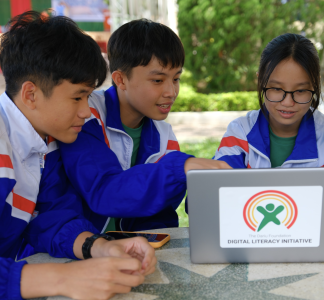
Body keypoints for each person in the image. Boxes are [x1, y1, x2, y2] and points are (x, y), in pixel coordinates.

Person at [0, 12, 156, 299]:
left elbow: (49, 219)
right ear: (31, 94)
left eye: (88, 97)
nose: (86, 111)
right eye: (77, 97)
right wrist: (61, 278)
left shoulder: (43, 140)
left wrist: (98, 246)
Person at [57, 19, 230, 233]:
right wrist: (179, 168)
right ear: (120, 79)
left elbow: (158, 213)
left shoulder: (165, 137)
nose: (171, 91)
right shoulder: (85, 116)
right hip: (74, 251)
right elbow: (104, 192)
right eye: (158, 80)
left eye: (176, 79)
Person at [214, 33, 324, 169]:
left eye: (300, 91)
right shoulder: (240, 133)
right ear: (260, 80)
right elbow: (219, 187)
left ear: (315, 84)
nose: (288, 103)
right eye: (277, 89)